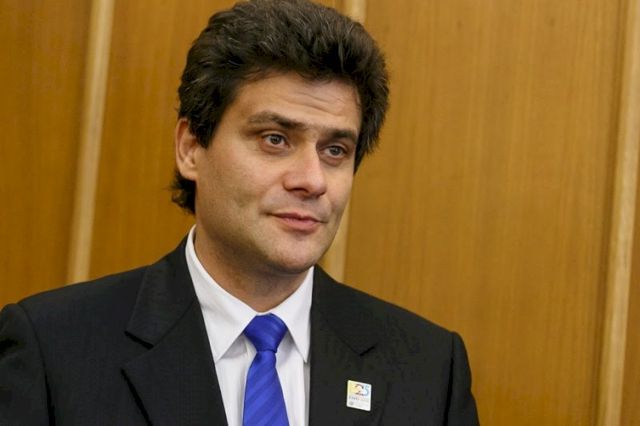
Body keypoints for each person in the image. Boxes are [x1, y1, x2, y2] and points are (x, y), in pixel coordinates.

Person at [0, 0, 479, 424]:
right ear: (191, 148)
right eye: (275, 139)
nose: (312, 180)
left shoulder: (428, 368)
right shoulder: (54, 349)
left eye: (335, 150)